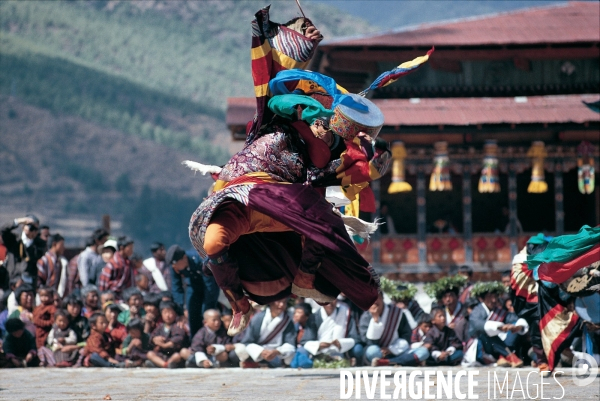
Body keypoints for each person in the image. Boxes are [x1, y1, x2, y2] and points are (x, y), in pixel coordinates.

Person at [188, 6, 387, 337]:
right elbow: (280, 83)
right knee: (212, 243)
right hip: (243, 192)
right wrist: (304, 47)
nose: (325, 131)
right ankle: (238, 304)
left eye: (335, 131)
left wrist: (371, 170)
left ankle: (307, 277)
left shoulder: (327, 150)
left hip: (285, 203)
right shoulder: (279, 115)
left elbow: (336, 174)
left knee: (324, 220)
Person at [468, 281, 527, 368]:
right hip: (484, 347)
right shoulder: (476, 311)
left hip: (499, 346)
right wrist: (499, 327)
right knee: (486, 332)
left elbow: (514, 318)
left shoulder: (499, 311)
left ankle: (503, 356)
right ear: (482, 298)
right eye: (489, 297)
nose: (494, 300)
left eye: (495, 297)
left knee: (515, 324)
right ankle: (509, 355)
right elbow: (478, 325)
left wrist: (517, 326)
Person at [166, 245, 219, 337]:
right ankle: (195, 341)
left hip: (210, 286)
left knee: (206, 314)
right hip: (193, 286)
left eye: (176, 264)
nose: (175, 267)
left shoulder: (200, 259)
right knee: (192, 314)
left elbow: (209, 285)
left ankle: (211, 340)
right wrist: (180, 309)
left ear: (184, 258)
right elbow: (176, 287)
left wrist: (207, 307)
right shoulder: (175, 266)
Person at [300, 298, 361, 364]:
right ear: (321, 301)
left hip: (341, 352)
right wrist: (318, 345)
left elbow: (355, 338)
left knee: (358, 348)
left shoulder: (345, 314)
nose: (330, 303)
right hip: (320, 353)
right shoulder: (314, 317)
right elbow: (305, 341)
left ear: (337, 300)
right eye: (327, 299)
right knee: (301, 351)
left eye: (332, 299)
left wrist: (341, 343)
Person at [359, 292, 413, 366]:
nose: (374, 301)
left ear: (382, 298)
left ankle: (389, 361)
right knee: (373, 351)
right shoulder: (366, 316)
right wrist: (375, 319)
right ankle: (387, 361)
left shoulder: (397, 313)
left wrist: (391, 349)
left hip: (394, 349)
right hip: (376, 351)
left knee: (422, 352)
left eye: (377, 297)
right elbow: (368, 341)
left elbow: (406, 335)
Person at [241, 299, 296, 368]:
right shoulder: (258, 318)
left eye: (284, 302)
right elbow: (247, 341)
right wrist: (261, 351)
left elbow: (290, 343)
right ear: (271, 303)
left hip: (277, 352)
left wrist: (277, 351)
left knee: (288, 354)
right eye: (278, 301)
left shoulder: (287, 321)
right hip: (258, 350)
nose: (281, 305)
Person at [1, 215, 46, 289]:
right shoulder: (14, 239)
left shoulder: (40, 243)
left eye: (36, 229)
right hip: (11, 279)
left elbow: (34, 256)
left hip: (28, 283)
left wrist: (29, 241)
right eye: (31, 228)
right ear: (23, 227)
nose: (33, 231)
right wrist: (18, 221)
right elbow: (3, 230)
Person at [145, 301, 189, 368]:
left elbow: (178, 339)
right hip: (162, 354)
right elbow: (152, 336)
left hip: (173, 353)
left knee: (177, 356)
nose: (167, 316)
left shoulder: (178, 326)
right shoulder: (160, 326)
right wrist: (155, 339)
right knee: (150, 354)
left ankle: (163, 364)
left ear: (175, 313)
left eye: (170, 313)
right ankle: (165, 364)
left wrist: (164, 345)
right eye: (165, 313)